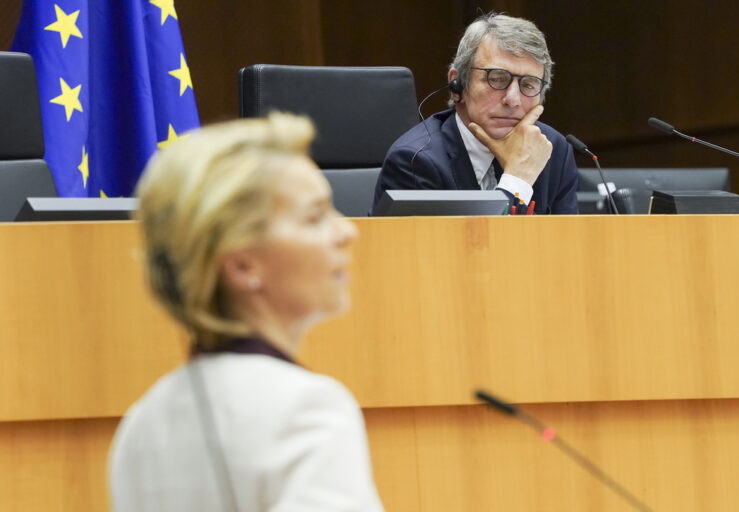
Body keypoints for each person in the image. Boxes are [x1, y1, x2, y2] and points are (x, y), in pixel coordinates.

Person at [108, 113, 384, 511]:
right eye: (314, 217)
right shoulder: (307, 410)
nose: (347, 231)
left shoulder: (141, 424)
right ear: (242, 266)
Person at [372, 13, 578, 215]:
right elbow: (475, 238)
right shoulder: (415, 161)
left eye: (528, 84)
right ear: (457, 85)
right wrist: (517, 181)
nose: (513, 99)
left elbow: (570, 237)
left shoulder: (553, 150)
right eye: (497, 79)